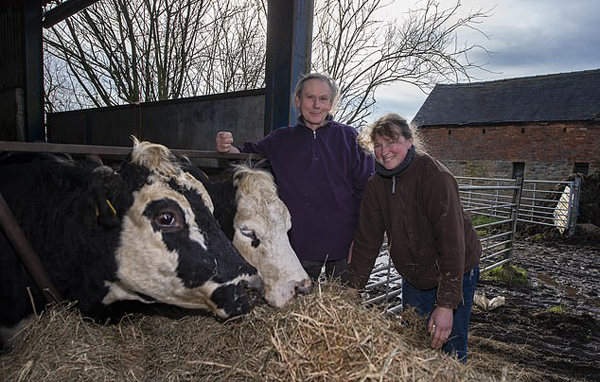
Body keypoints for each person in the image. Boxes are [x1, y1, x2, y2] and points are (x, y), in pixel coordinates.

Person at [215, 73, 375, 283]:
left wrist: (360, 239)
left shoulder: (349, 138)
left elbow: (368, 190)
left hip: (344, 245)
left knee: (346, 306)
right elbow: (245, 157)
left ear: (331, 104)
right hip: (299, 247)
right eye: (310, 97)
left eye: (323, 99)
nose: (316, 105)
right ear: (298, 101)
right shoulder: (280, 140)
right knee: (299, 309)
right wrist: (225, 148)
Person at [347, 113, 481, 362]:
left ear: (410, 141)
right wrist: (353, 289)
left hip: (456, 271)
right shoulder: (377, 185)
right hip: (415, 275)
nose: (384, 151)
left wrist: (446, 305)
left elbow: (452, 245)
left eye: (391, 142)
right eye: (378, 145)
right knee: (414, 347)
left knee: (449, 346)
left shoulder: (434, 177)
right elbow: (367, 241)